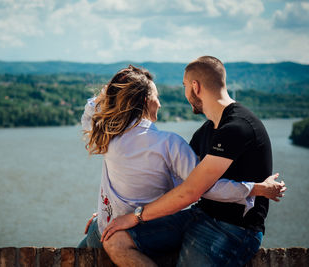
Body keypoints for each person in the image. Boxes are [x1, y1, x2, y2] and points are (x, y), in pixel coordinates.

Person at [100, 56, 287, 267]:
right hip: (200, 214)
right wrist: (115, 210)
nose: (185, 93)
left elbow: (190, 191)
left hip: (234, 229)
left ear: (195, 87)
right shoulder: (205, 132)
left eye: (184, 86)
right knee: (116, 241)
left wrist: (135, 217)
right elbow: (177, 184)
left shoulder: (238, 127)